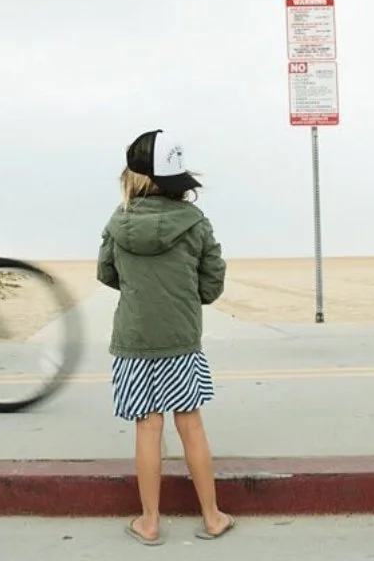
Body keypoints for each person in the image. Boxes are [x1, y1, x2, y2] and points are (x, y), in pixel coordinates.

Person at [96, 129, 235, 545]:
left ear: (134, 176)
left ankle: (150, 522)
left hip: (134, 341)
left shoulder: (117, 221)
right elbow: (212, 285)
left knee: (147, 427)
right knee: (190, 424)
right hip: (180, 340)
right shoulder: (195, 223)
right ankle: (212, 517)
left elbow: (107, 274)